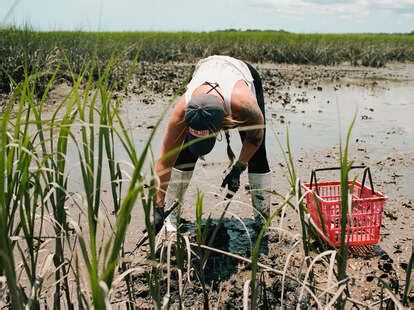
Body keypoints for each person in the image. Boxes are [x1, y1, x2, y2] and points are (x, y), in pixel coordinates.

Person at [154, 55, 271, 233]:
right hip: (207, 69)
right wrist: (158, 204)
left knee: (258, 156)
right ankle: (171, 218)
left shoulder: (245, 105)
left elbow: (254, 139)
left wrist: (238, 168)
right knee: (184, 155)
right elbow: (165, 161)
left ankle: (263, 220)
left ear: (221, 124)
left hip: (241, 73)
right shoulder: (183, 111)